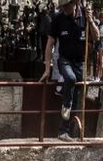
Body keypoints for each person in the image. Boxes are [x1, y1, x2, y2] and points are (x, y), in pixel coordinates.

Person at [40, 0, 98, 142]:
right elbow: (49, 45)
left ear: (75, 3)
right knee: (70, 79)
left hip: (80, 62)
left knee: (77, 98)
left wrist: (91, 21)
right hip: (64, 60)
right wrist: (47, 68)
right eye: (62, 6)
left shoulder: (85, 16)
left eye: (66, 5)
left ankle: (67, 131)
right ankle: (65, 112)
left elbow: (96, 37)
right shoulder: (58, 19)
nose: (64, 8)